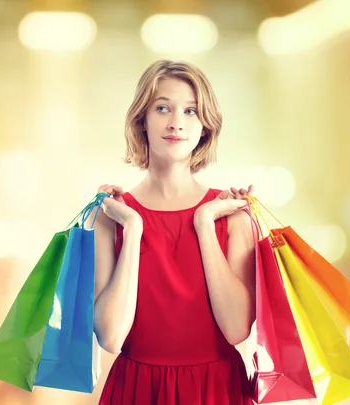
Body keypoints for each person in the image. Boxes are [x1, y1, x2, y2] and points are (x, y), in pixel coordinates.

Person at [90, 60, 257, 405]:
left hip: (217, 390)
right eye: (162, 107)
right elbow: (110, 337)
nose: (176, 122)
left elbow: (237, 329)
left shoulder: (233, 218)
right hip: (136, 390)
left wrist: (204, 224)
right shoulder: (113, 217)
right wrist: (134, 230)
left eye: (191, 111)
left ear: (205, 127)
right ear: (142, 121)